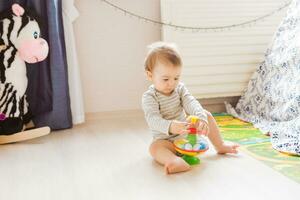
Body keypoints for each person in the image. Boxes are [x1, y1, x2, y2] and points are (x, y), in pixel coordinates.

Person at [142, 42, 239, 174]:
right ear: (150, 75)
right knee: (154, 148)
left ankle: (220, 145)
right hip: (166, 141)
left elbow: (192, 103)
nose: (172, 83)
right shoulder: (149, 97)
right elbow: (153, 119)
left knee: (206, 114)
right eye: (166, 79)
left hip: (187, 136)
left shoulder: (180, 89)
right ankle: (173, 160)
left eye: (176, 77)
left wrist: (201, 118)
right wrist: (170, 126)